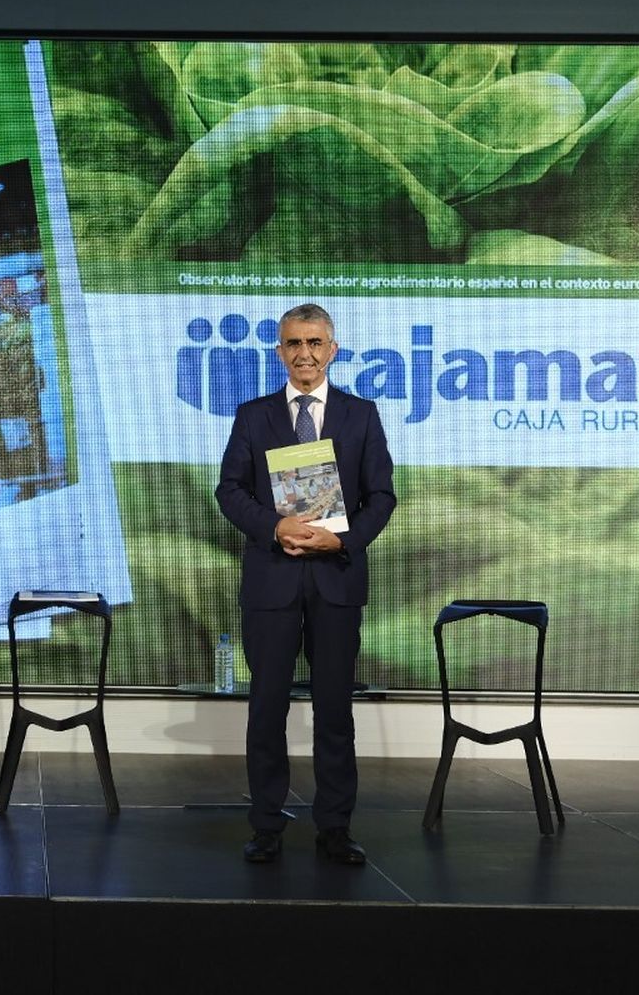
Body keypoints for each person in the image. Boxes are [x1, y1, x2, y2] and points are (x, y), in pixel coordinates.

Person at [215, 303, 396, 865]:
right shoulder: (253, 416)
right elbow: (229, 490)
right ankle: (266, 825)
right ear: (280, 352)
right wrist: (276, 527)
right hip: (272, 582)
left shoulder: (361, 415)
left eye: (315, 343)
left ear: (332, 350)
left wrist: (341, 541)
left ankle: (335, 827)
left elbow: (382, 496)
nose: (305, 354)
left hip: (336, 580)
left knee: (334, 709)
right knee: (267, 707)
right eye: (294, 343)